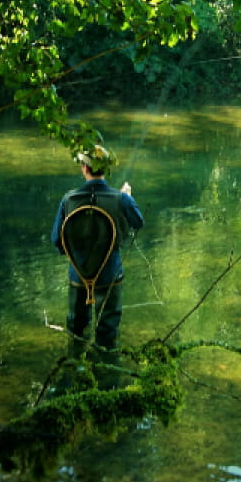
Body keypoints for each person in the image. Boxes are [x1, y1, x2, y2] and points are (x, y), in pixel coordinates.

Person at [51, 144, 143, 360]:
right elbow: (138, 223)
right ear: (106, 169)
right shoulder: (121, 199)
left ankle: (76, 371)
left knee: (76, 330)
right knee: (108, 333)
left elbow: (57, 241)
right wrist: (126, 198)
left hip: (78, 275)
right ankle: (108, 379)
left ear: (84, 167)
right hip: (110, 276)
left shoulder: (69, 200)